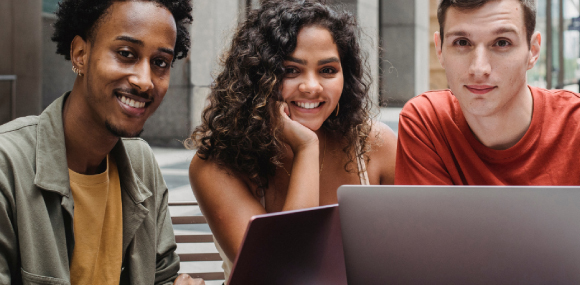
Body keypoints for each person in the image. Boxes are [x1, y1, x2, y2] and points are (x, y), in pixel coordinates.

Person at [187, 0, 397, 282]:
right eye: (290, 70)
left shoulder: (375, 144)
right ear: (257, 77)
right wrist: (306, 148)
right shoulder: (217, 166)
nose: (311, 86)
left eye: (328, 70)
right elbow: (284, 277)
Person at [0, 0, 204, 284]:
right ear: (80, 54)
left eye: (160, 63)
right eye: (125, 53)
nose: (145, 81)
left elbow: (162, 275)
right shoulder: (6, 166)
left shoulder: (140, 163)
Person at [395, 0, 580, 185]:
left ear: (533, 51)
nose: (479, 68)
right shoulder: (427, 122)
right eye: (462, 42)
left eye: (502, 43)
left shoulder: (575, 124)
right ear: (440, 49)